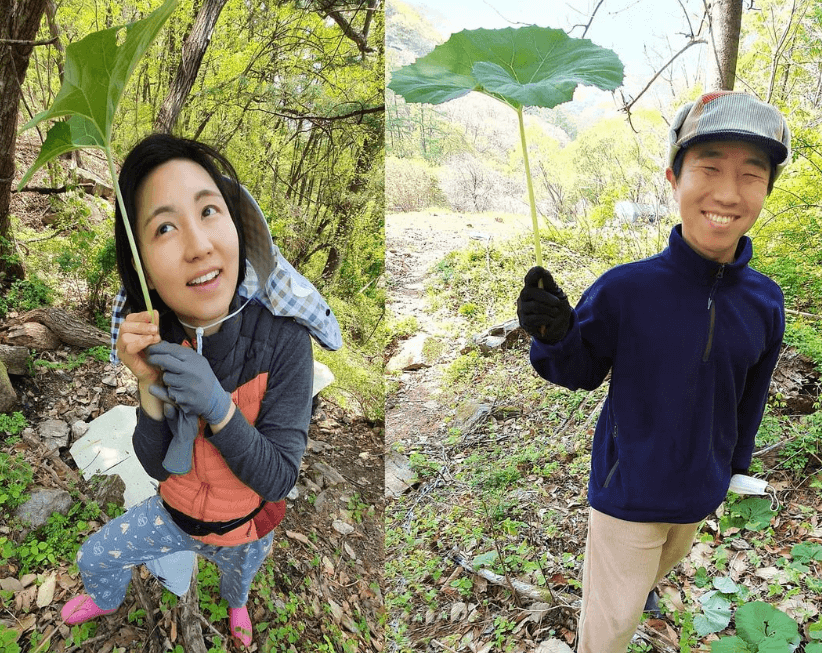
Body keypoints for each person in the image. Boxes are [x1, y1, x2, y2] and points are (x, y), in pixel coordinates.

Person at [516, 91, 790, 653]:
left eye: (750, 174)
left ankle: (647, 588)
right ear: (673, 177)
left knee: (655, 574)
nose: (727, 192)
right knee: (609, 629)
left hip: (699, 493)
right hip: (630, 495)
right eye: (709, 168)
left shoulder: (764, 301)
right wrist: (555, 335)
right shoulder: (627, 289)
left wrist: (733, 469)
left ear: (766, 189)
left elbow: (751, 394)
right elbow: (580, 371)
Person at [61, 134, 334, 648]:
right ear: (141, 264)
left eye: (209, 211)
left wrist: (219, 408)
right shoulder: (159, 334)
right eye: (165, 227)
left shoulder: (284, 338)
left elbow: (278, 477)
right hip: (173, 515)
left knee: (238, 583)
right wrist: (147, 385)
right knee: (94, 555)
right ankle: (105, 597)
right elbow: (160, 466)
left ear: (237, 223)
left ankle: (235, 607)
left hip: (245, 528)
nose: (199, 245)